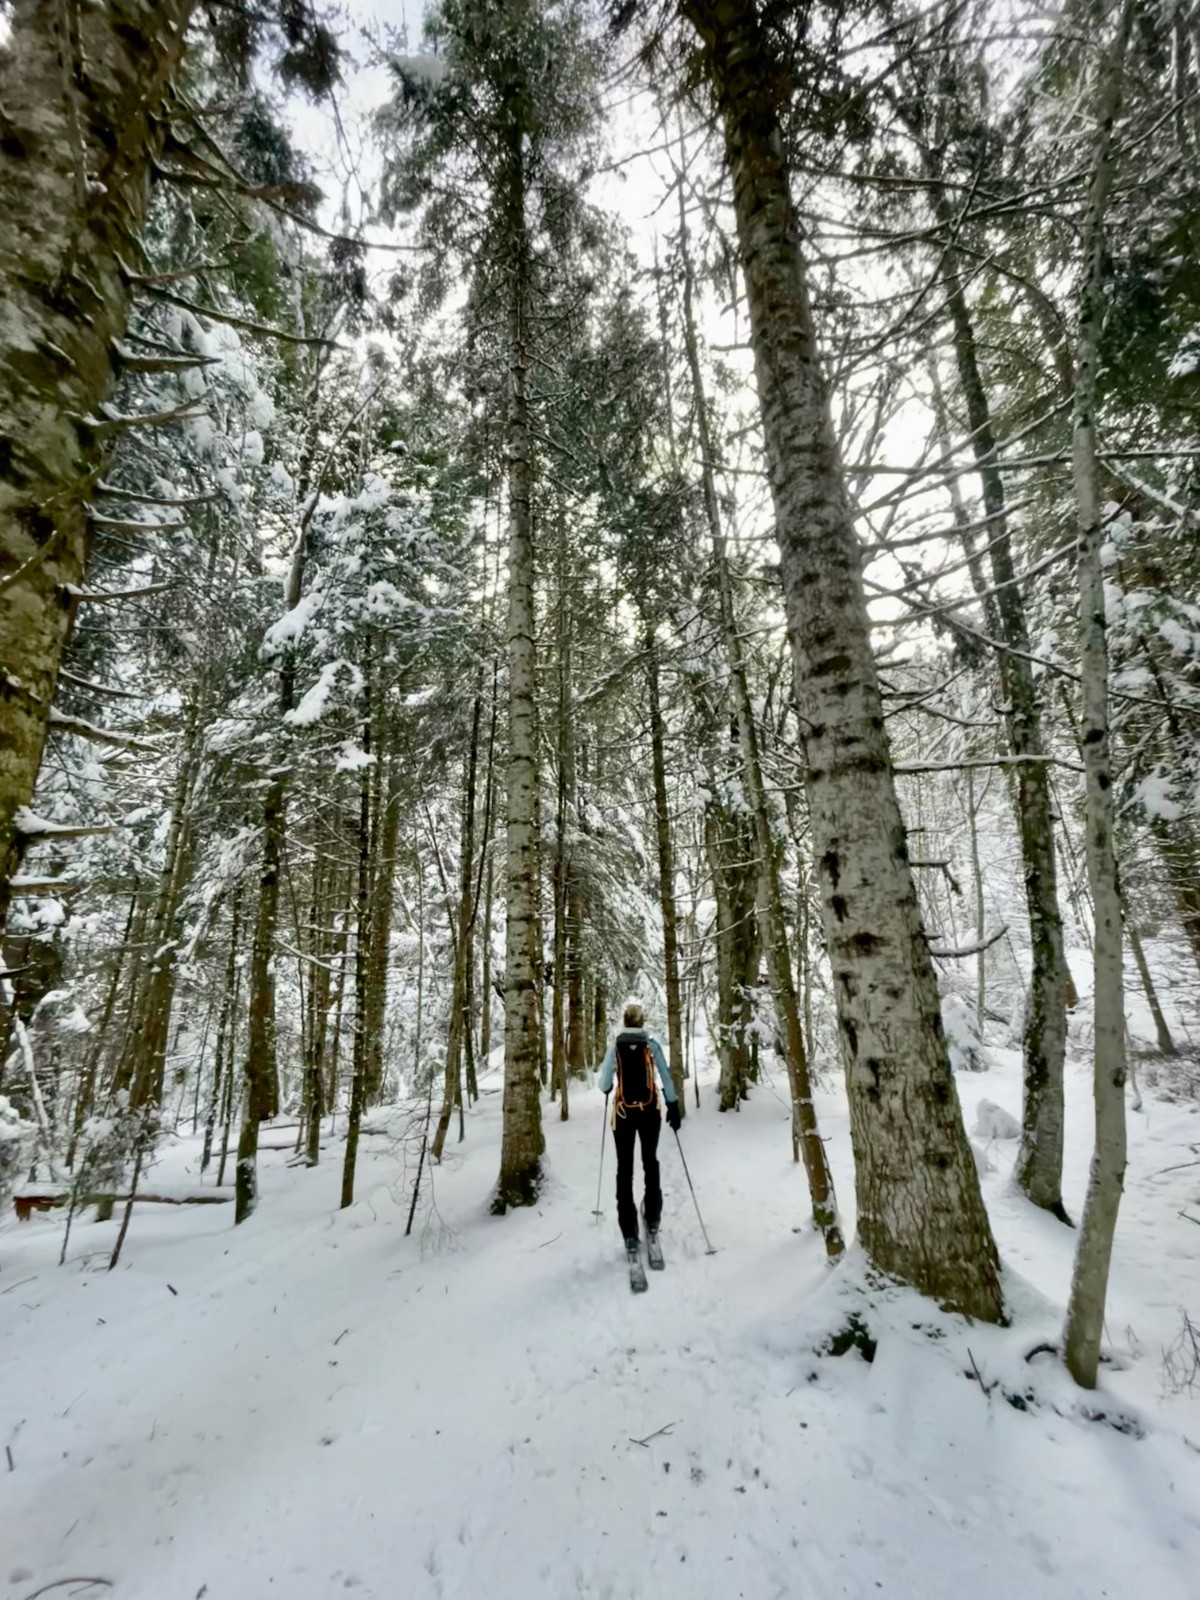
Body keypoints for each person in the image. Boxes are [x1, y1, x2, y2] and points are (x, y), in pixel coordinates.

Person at [597, 999, 680, 1256]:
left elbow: (603, 1085)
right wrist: (673, 1104)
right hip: (650, 1114)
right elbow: (665, 1076)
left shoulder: (615, 1047)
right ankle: (653, 1218)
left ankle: (629, 1230)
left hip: (623, 1115)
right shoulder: (651, 1045)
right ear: (642, 1022)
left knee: (625, 1170)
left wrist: (611, 1085)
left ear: (624, 1022)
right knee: (650, 1162)